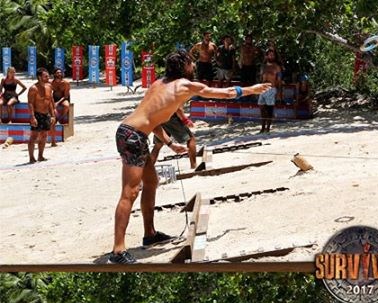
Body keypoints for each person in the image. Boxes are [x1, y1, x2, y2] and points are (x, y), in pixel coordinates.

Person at [110, 49, 271, 264]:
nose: (194, 66)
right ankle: (118, 251)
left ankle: (150, 234)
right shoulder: (184, 85)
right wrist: (252, 89)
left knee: (151, 182)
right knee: (129, 192)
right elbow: (224, 93)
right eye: (191, 63)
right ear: (184, 66)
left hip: (130, 132)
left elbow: (152, 120)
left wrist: (170, 144)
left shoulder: (158, 84)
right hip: (133, 136)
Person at [27, 68, 55, 164]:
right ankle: (31, 157)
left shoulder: (49, 86)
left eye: (48, 76)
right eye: (45, 76)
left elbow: (50, 101)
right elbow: (30, 103)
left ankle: (40, 156)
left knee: (44, 135)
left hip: (46, 114)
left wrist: (53, 115)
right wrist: (32, 117)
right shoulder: (33, 88)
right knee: (34, 136)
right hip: (37, 114)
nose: (48, 77)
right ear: (39, 77)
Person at [258, 48, 282, 133]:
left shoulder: (277, 67)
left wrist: (279, 93)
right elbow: (260, 79)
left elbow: (279, 81)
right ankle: (262, 127)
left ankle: (267, 128)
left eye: (273, 55)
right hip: (262, 89)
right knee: (262, 108)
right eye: (270, 55)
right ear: (267, 56)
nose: (271, 56)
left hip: (271, 89)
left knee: (269, 109)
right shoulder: (263, 66)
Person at [50, 68, 71, 147]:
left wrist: (58, 103)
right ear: (54, 74)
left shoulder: (66, 83)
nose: (59, 74)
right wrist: (53, 102)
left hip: (63, 99)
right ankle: (54, 119)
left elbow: (65, 96)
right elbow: (49, 94)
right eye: (57, 73)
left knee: (66, 106)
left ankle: (60, 119)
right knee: (50, 107)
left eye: (60, 73)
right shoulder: (51, 83)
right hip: (54, 98)